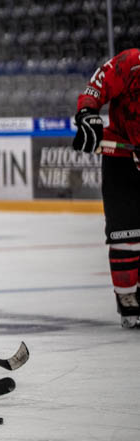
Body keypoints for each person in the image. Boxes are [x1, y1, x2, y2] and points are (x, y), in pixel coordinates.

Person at [72, 48, 140, 328]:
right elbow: (98, 84)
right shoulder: (133, 63)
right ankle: (128, 299)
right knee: (126, 234)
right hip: (122, 158)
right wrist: (88, 112)